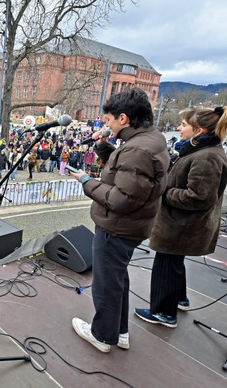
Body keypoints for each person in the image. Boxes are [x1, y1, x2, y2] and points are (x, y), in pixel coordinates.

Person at [69, 88, 169, 353]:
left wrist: (87, 182)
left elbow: (121, 198)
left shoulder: (138, 150)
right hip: (131, 226)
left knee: (105, 284)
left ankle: (102, 335)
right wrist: (103, 146)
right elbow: (124, 171)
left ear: (123, 118)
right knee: (117, 280)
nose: (106, 124)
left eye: (109, 119)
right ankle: (119, 331)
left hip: (117, 226)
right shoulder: (149, 140)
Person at [134, 106, 227, 328]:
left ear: (198, 131)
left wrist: (165, 191)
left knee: (166, 265)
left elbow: (199, 197)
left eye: (183, 125)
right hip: (181, 224)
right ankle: (179, 299)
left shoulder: (206, 156)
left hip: (181, 226)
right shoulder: (201, 151)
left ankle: (163, 313)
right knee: (174, 264)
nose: (178, 128)